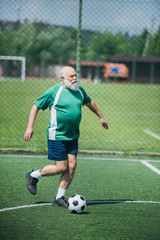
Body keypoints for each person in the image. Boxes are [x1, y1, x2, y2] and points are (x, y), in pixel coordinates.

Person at [24, 66, 108, 208]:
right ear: (63, 78)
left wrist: (101, 117)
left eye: (76, 75)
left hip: (72, 136)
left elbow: (89, 102)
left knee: (72, 165)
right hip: (57, 135)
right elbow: (35, 106)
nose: (75, 78)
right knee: (61, 167)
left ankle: (59, 198)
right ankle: (33, 176)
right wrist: (29, 127)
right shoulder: (54, 91)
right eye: (71, 76)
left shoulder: (79, 90)